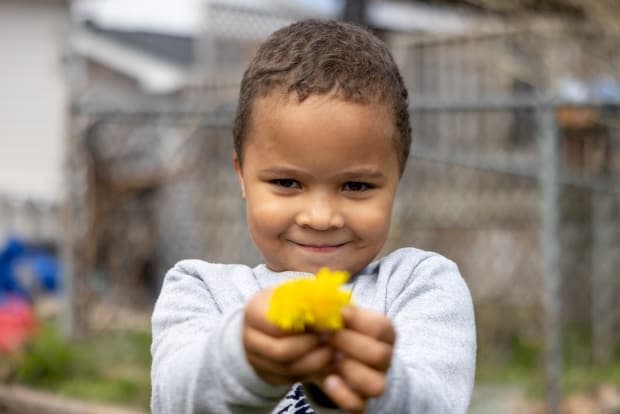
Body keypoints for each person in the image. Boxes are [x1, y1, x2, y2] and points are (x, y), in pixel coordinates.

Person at [151, 19, 476, 414]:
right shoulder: (200, 290)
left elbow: (436, 404)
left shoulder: (421, 285)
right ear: (241, 175)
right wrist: (244, 359)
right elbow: (175, 399)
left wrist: (362, 381)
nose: (320, 217)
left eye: (356, 186)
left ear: (397, 179)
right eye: (287, 182)